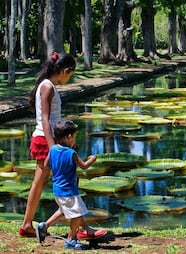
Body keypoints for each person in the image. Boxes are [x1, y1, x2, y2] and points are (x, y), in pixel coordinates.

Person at [19, 52, 103, 240]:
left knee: (66, 181)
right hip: (46, 141)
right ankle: (29, 225)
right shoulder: (47, 86)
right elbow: (46, 119)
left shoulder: (49, 85)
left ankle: (80, 227)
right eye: (70, 74)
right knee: (46, 183)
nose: (69, 78)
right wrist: (54, 148)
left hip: (51, 140)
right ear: (65, 70)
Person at [37, 120, 107, 250]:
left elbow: (46, 165)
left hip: (58, 189)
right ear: (69, 137)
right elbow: (84, 166)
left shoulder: (53, 149)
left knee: (63, 211)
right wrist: (93, 158)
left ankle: (43, 226)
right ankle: (70, 239)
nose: (75, 140)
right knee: (77, 214)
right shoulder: (71, 153)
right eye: (74, 137)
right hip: (69, 191)